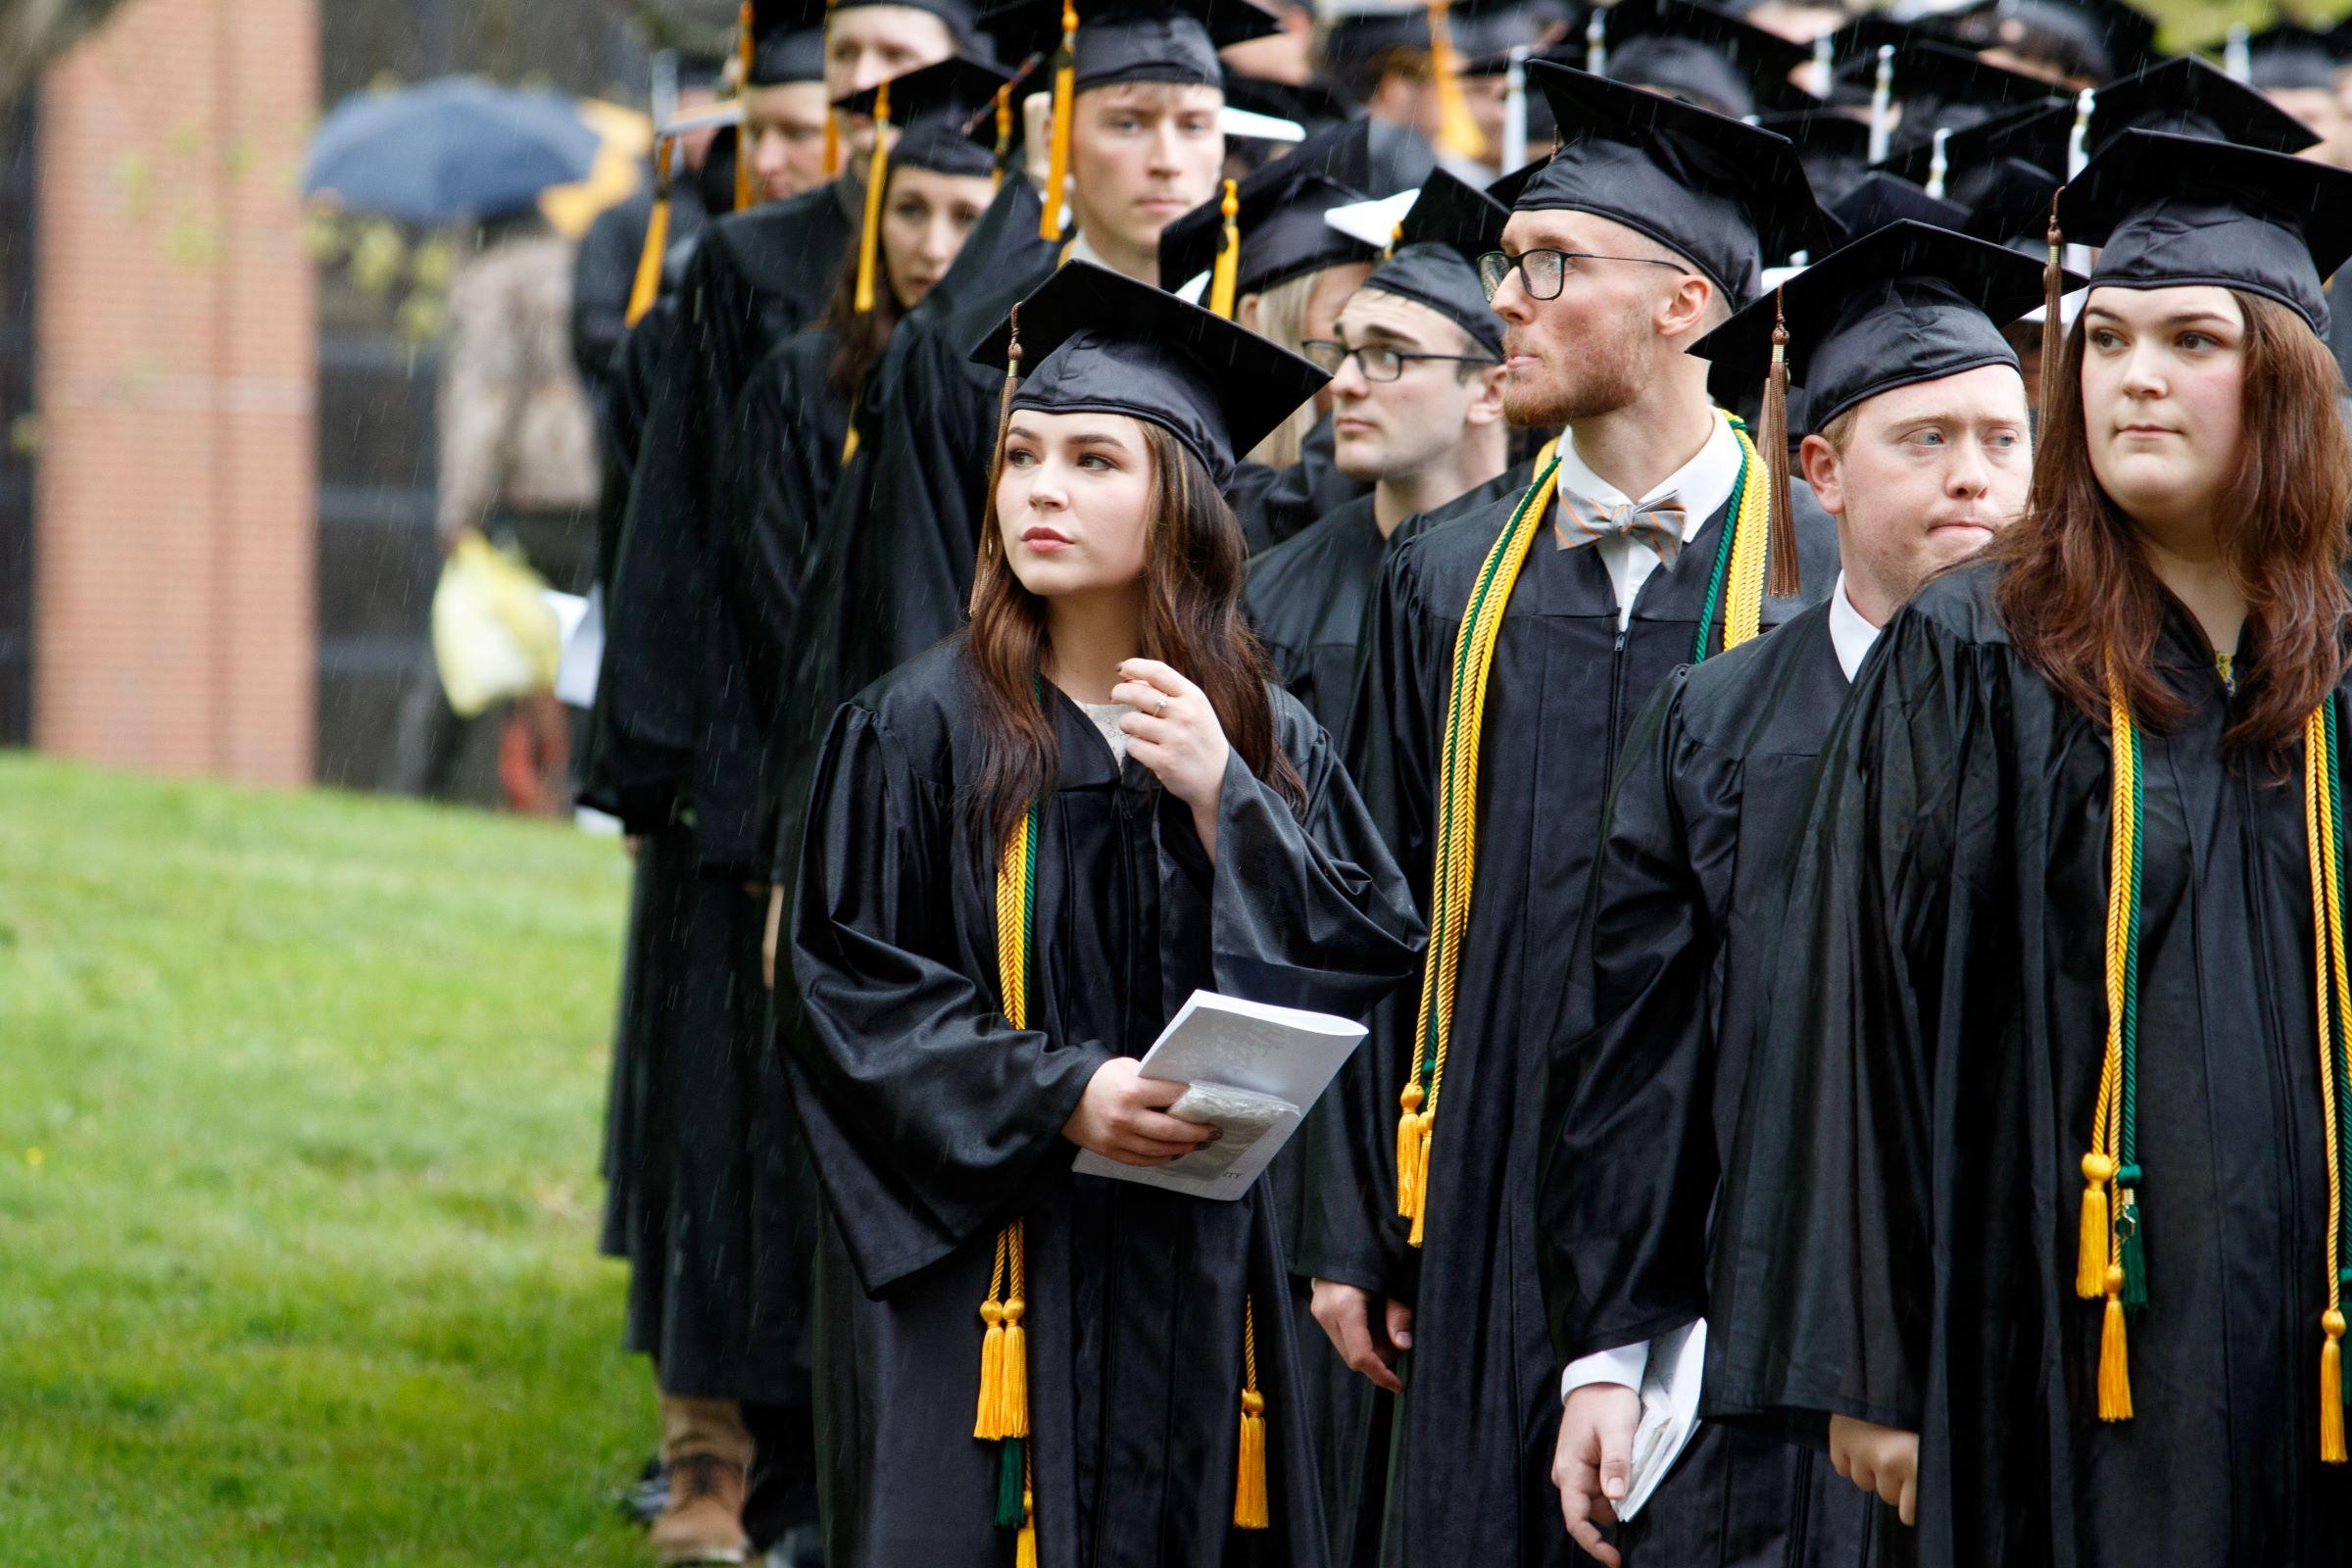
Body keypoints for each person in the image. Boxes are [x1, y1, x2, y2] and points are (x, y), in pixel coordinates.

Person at [1707, 128, 2352, 1564]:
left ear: (2296, 383)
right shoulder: (1979, 646)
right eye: (2105, 337)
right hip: (2040, 1348)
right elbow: (1848, 1003)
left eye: (2193, 339)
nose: (2133, 375)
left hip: (2317, 1334)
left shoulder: (2336, 664)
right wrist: (1864, 1367)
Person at [787, 260, 1425, 1567]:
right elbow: (847, 994)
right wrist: (1061, 1093)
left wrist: (1224, 803)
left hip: (1196, 1270)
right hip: (998, 1273)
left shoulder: (1260, 729)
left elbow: (1370, 953)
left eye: (1093, 461)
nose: (1042, 492)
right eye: (1022, 457)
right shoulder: (916, 732)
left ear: (1180, 501)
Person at [1297, 63, 1838, 1568]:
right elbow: (1368, 895)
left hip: (1725, 1193)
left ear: (1681, 305)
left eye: (1547, 267)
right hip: (1471, 1172)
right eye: (1504, 266)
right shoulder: (1446, 575)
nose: (1506, 306)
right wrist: (1348, 1220)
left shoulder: (1819, 576)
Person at [1540, 218, 2050, 1568]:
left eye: (2004, 439)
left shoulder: (2087, 716)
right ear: (1819, 467)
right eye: (1924, 439)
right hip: (1748, 1364)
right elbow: (1635, 1058)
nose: (1975, 479)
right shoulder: (1715, 720)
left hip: (2021, 1355)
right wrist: (1608, 1353)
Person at [814, 0, 1254, 717]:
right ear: (1055, 134)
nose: (1168, 160)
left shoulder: (1246, 334)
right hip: (1008, 757)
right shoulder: (974, 348)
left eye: (1195, 125)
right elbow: (918, 595)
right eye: (1129, 122)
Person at [727, 52, 1011, 984]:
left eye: (968, 218)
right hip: (837, 712)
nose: (934, 247)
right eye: (910, 211)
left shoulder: (1013, 387)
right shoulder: (803, 380)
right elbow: (782, 599)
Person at [1247, 170, 1510, 734]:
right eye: (1343, 349)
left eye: (1389, 354)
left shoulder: (1549, 579)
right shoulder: (1268, 594)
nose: (1342, 383)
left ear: (1491, 390)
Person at [571, 51, 728, 403]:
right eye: (694, 116)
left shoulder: (751, 207)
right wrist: (675, 351)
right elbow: (595, 328)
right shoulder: (628, 220)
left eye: (716, 114)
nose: (707, 131)